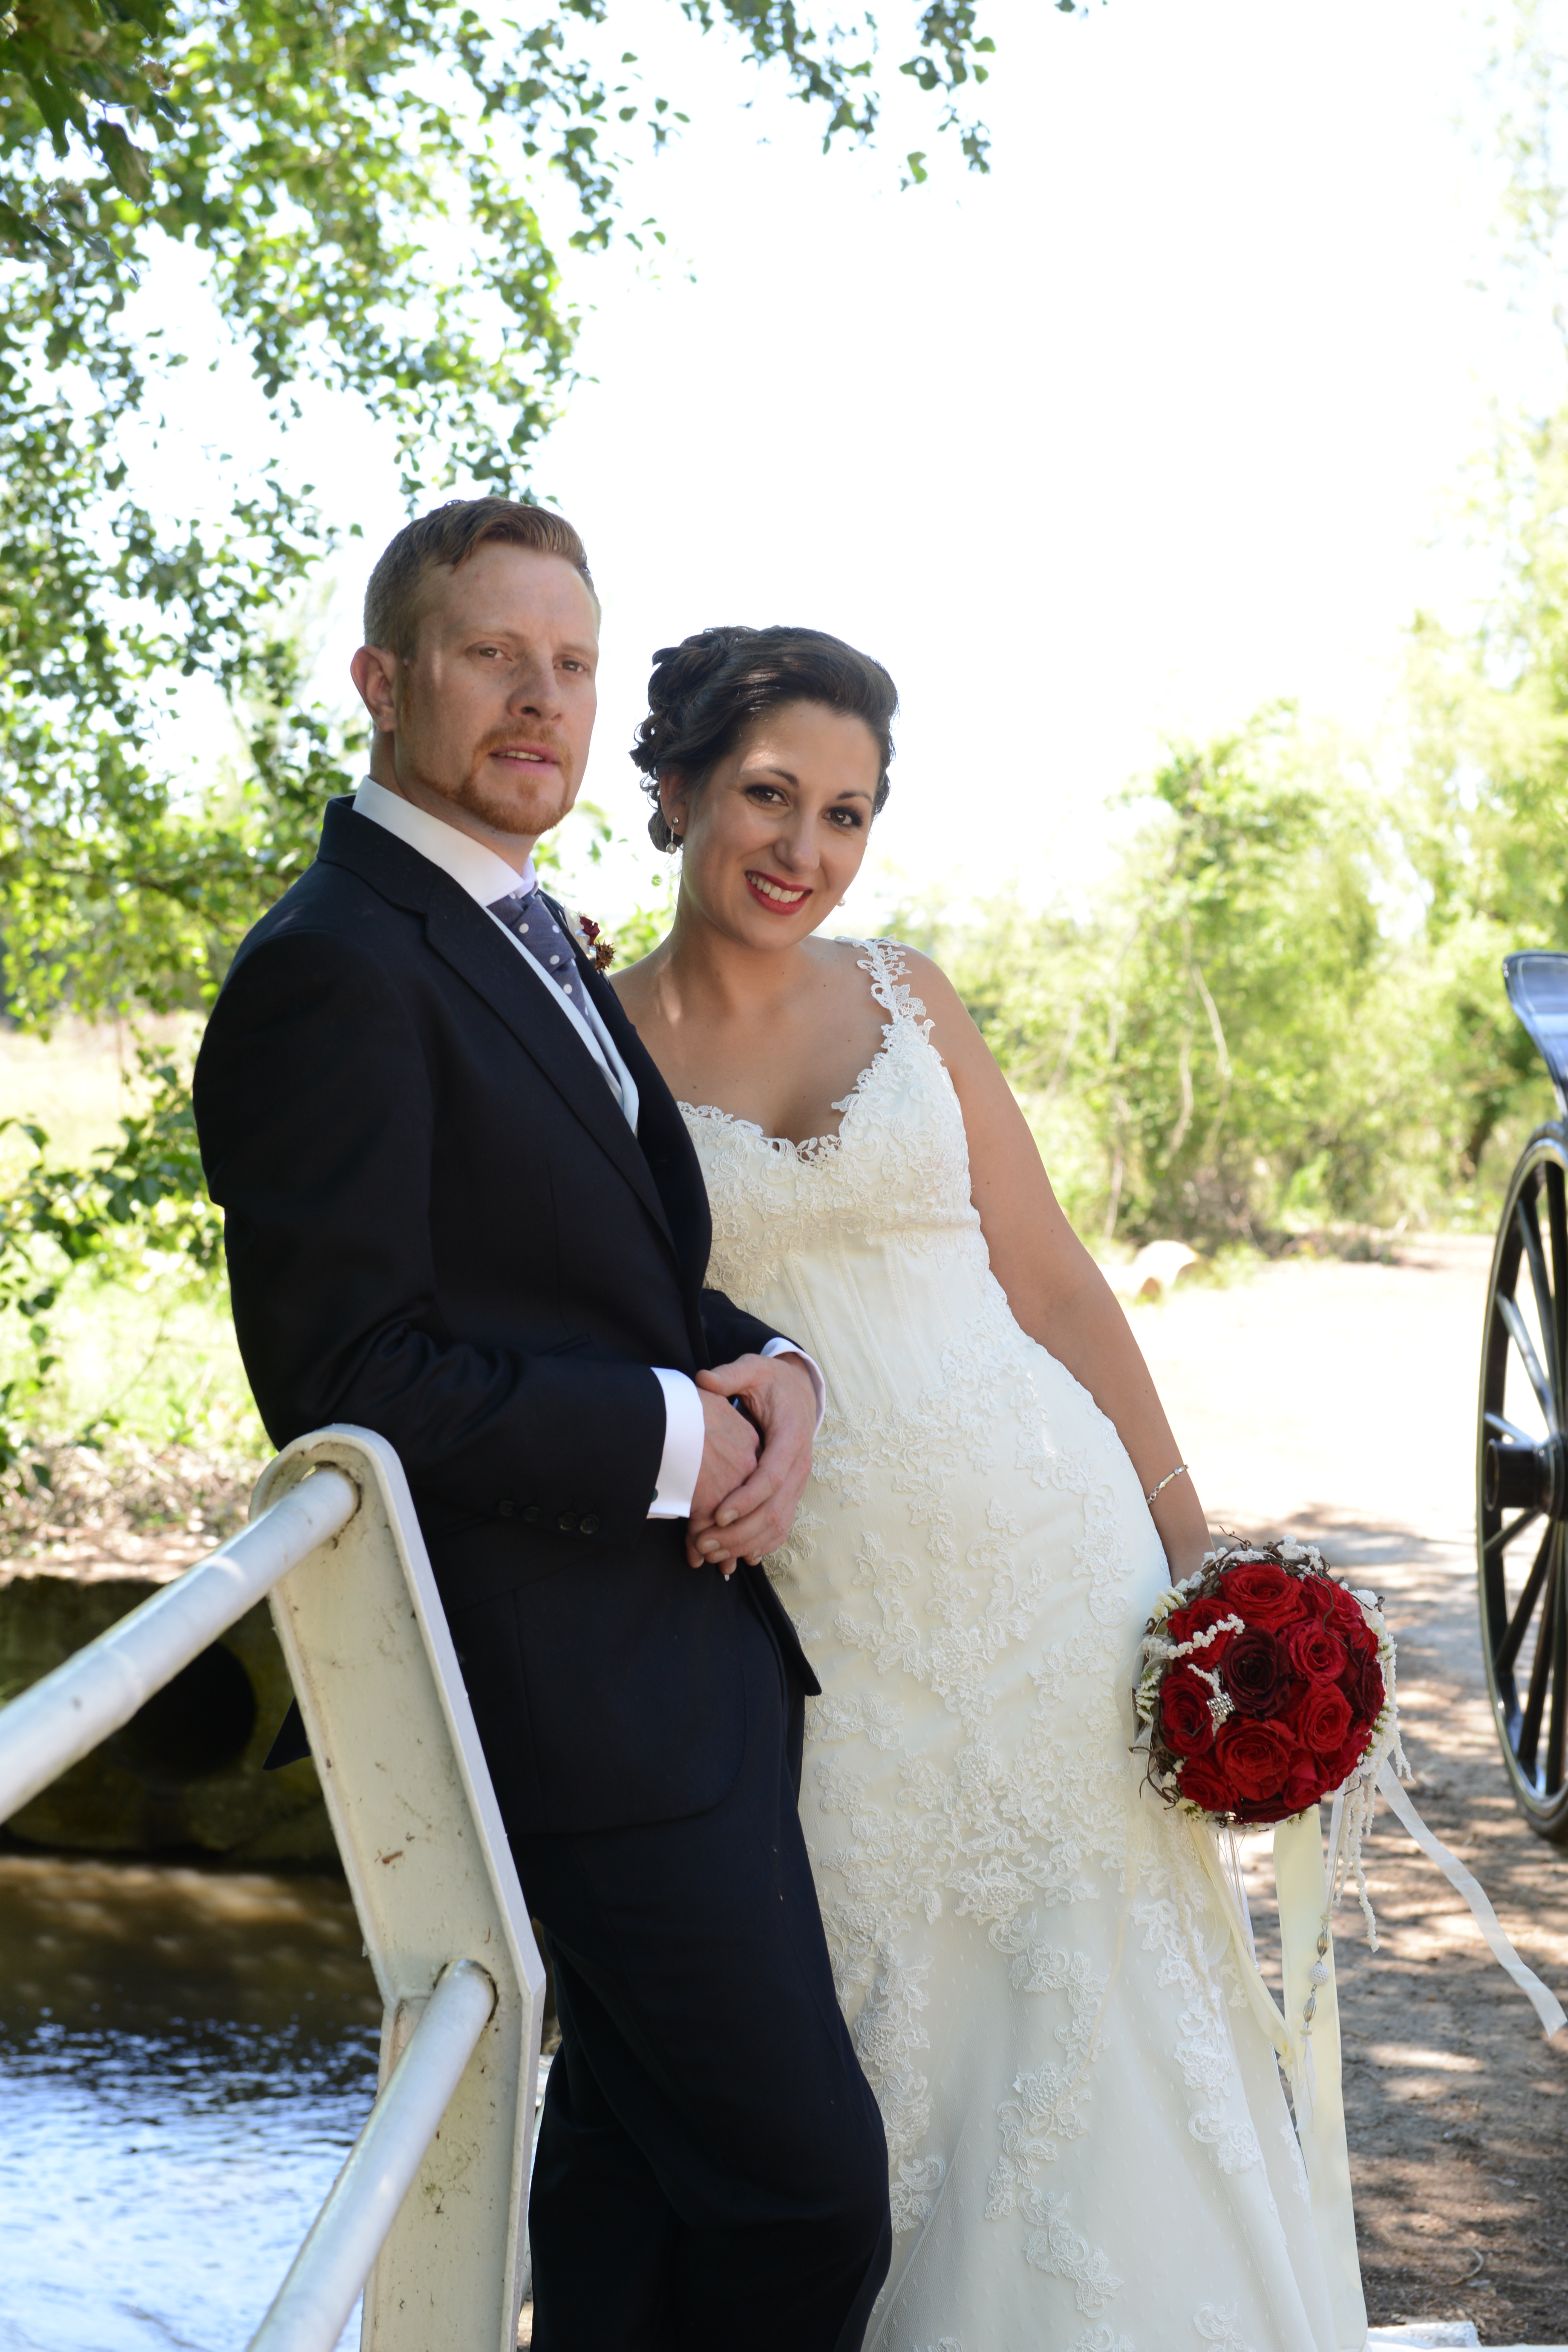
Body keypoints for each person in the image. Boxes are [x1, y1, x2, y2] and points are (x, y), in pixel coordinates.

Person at [191, 504, 891, 2352]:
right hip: (564, 1695)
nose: (539, 699)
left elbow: (606, 1278)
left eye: (569, 664)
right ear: (383, 680)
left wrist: (772, 1368)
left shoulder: (512, 929)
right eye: (492, 656)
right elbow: (353, 1376)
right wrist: (674, 1439)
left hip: (677, 1668)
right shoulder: (333, 967)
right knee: (808, 2199)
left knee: (627, 2191)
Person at [611, 623, 1357, 2352]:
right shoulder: (599, 1048)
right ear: (677, 790)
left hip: (1058, 1566)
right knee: (893, 2040)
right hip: (830, 1626)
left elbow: (1056, 1285)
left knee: (1121, 2009)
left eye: (848, 813)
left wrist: (1198, 1561)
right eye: (770, 795)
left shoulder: (909, 997)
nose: (805, 849)